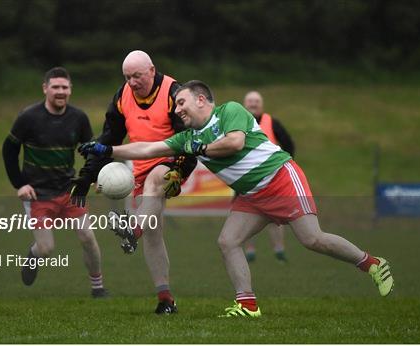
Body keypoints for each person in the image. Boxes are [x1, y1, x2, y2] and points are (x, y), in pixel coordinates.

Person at [79, 80, 395, 317]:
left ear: (201, 99)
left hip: (280, 178)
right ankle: (247, 304)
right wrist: (108, 150)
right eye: (175, 106)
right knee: (228, 241)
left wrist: (199, 149)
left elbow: (233, 143)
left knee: (312, 239)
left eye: (182, 103)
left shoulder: (230, 110)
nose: (177, 111)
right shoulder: (188, 137)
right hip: (253, 195)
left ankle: (373, 264)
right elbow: (148, 149)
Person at [71, 51, 196, 314]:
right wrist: (86, 177)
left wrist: (181, 167)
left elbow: (189, 138)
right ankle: (165, 299)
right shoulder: (122, 97)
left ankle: (131, 230)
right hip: (140, 167)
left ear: (151, 70)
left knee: (153, 184)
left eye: (137, 76)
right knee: (154, 231)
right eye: (127, 77)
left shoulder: (174, 93)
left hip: (173, 161)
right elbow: (108, 141)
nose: (132, 82)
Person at [2, 67, 107, 298]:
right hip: (37, 193)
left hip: (68, 189)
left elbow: (90, 152)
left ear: (70, 90)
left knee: (88, 237)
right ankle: (34, 253)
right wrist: (19, 184)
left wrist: (93, 177)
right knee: (47, 249)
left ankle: (98, 287)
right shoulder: (28, 117)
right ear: (45, 88)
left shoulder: (78, 118)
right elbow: (9, 150)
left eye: (65, 87)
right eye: (56, 87)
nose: (60, 92)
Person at [242, 91, 295, 263]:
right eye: (250, 101)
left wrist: (283, 166)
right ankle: (249, 251)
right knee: (245, 214)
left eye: (256, 101)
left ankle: (279, 250)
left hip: (271, 179)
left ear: (262, 104)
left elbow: (288, 144)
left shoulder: (272, 122)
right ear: (244, 104)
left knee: (275, 217)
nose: (253, 104)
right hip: (245, 179)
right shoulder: (237, 123)